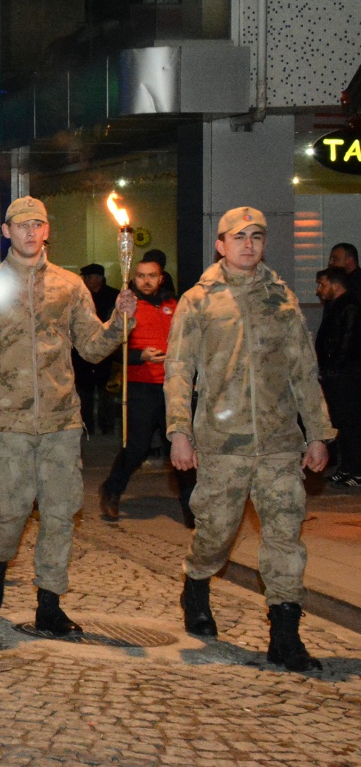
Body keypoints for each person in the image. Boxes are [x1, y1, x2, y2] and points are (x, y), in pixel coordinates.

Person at [166, 207, 333, 671]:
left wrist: (318, 433)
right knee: (216, 535)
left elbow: (304, 370)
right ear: (220, 244)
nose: (249, 245)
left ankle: (285, 636)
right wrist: (179, 432)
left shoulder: (281, 297)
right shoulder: (198, 300)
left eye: (257, 236)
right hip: (223, 443)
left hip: (280, 442)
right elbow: (178, 371)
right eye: (239, 237)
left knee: (285, 537)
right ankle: (196, 582)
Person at [0, 197, 134, 636]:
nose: (31, 232)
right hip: (8, 422)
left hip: (61, 420)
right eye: (22, 225)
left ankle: (49, 603)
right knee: (11, 510)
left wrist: (120, 322)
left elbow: (91, 347)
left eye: (38, 224)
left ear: (46, 230)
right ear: (6, 231)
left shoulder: (69, 286)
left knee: (61, 513)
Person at [98, 258, 191, 524]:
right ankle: (111, 490)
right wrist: (140, 356)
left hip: (174, 387)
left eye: (152, 276)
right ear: (133, 278)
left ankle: (191, 507)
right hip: (141, 388)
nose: (146, 281)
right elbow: (109, 348)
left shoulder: (175, 305)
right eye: (140, 276)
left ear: (161, 278)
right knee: (137, 448)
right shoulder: (126, 307)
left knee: (181, 447)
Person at [315, 266, 361, 486]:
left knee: (350, 423)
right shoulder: (335, 306)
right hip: (336, 375)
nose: (319, 290)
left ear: (335, 284)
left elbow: (347, 341)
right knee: (339, 423)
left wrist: (334, 368)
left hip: (346, 376)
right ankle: (346, 468)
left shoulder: (350, 306)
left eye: (322, 284)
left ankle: (356, 471)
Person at [72, 264, 118, 438]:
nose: (85, 280)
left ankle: (106, 426)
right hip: (82, 352)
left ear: (97, 278)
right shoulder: (79, 296)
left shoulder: (113, 296)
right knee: (85, 392)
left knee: (107, 391)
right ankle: (87, 426)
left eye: (88, 277)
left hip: (107, 352)